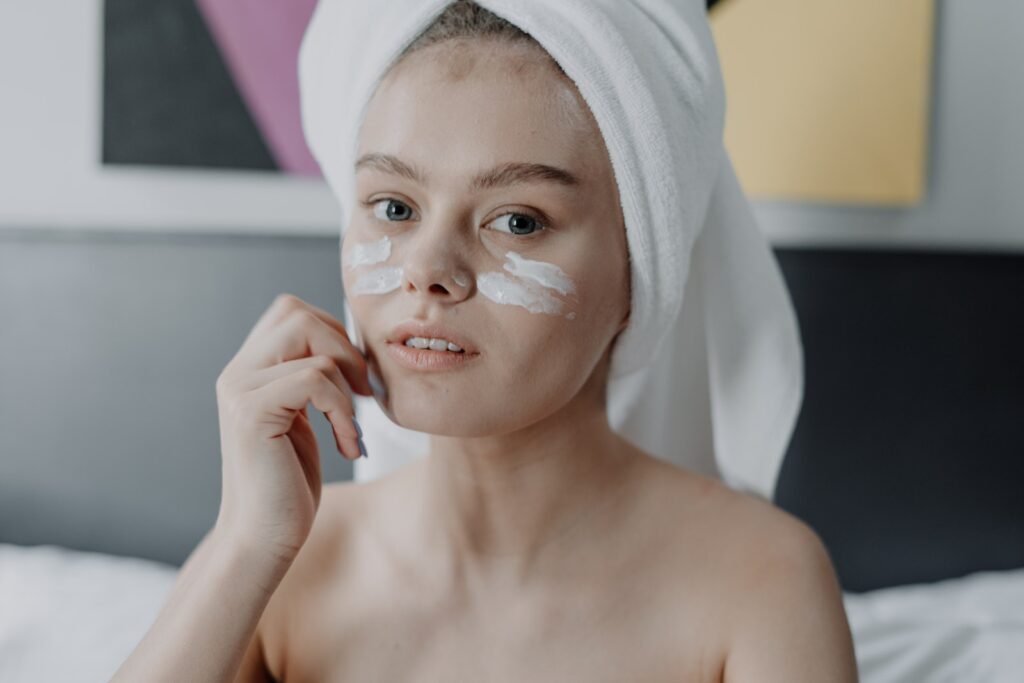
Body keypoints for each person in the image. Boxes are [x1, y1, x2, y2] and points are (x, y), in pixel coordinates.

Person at [113, 2, 858, 681]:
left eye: (518, 221)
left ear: (641, 273)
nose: (426, 270)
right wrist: (244, 548)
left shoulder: (760, 580)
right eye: (395, 206)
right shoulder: (283, 563)